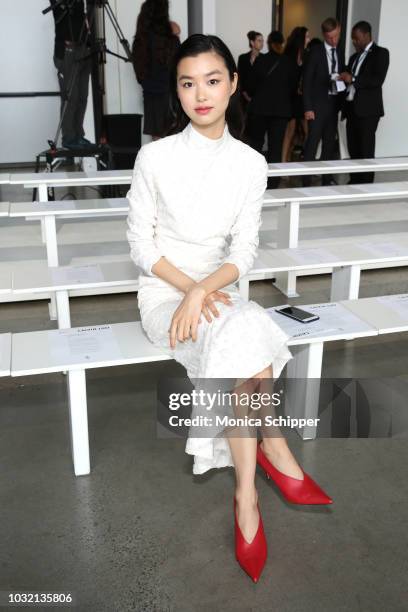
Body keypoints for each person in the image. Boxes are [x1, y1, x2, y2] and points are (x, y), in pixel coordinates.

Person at [126, 33, 333, 583]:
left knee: (242, 331)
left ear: (233, 84)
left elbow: (243, 251)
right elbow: (143, 249)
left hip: (217, 292)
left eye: (213, 81)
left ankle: (245, 498)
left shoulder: (250, 163)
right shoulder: (154, 157)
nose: (201, 94)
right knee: (245, 338)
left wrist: (203, 288)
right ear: (177, 90)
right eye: (188, 83)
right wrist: (189, 289)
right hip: (165, 295)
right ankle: (274, 454)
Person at [339, 21, 390, 184]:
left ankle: (367, 183)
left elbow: (377, 80)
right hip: (352, 109)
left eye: (357, 38)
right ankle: (355, 180)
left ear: (367, 35)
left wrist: (353, 79)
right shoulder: (354, 57)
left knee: (366, 149)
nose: (354, 41)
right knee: (353, 148)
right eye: (353, 38)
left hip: (368, 111)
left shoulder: (381, 53)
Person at [246, 32, 298, 188]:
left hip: (260, 109)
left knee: (256, 145)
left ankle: (253, 180)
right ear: (282, 43)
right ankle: (273, 183)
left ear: (268, 43)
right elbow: (293, 88)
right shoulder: (289, 63)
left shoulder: (261, 60)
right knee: (276, 148)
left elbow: (250, 86)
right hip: (280, 111)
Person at [302, 17, 346, 186]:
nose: (333, 40)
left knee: (329, 144)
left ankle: (327, 180)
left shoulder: (340, 51)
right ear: (324, 35)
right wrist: (308, 107)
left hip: (334, 105)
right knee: (312, 144)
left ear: (339, 31)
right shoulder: (316, 51)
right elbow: (306, 82)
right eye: (329, 38)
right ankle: (306, 180)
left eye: (336, 36)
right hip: (317, 106)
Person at [132, 0, 180, 140]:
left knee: (156, 138)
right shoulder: (171, 39)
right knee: (173, 135)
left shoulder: (140, 40)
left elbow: (139, 71)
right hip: (169, 92)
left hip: (150, 93)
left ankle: (157, 162)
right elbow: (180, 66)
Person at [50, 0, 94, 149]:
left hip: (84, 49)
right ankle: (68, 138)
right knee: (71, 97)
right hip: (67, 52)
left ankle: (78, 135)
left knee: (82, 96)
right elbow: (61, 13)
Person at [282, 26, 311, 164]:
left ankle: (307, 161)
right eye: (307, 36)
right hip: (290, 99)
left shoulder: (308, 55)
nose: (309, 39)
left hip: (303, 100)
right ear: (300, 39)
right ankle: (283, 163)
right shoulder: (288, 55)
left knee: (308, 132)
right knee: (290, 132)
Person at [237, 31, 264, 112]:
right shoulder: (242, 58)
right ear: (252, 42)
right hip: (244, 98)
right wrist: (245, 95)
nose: (262, 43)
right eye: (259, 40)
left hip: (260, 100)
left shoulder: (265, 59)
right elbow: (240, 77)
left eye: (262, 41)